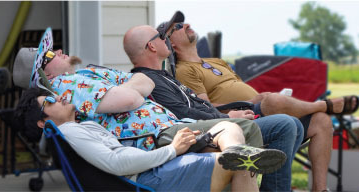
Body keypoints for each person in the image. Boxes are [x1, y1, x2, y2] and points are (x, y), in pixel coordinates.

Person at [13, 28, 287, 175]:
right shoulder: (68, 86)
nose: (59, 51)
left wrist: (135, 87)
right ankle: (237, 158)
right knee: (249, 131)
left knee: (263, 130)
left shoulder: (82, 76)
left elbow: (138, 87)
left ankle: (237, 158)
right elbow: (133, 95)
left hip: (171, 124)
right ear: (44, 72)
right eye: (49, 55)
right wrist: (139, 85)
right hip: (155, 135)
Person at [166, 12, 356, 192]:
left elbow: (237, 87)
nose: (188, 25)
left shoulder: (216, 62)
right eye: (180, 27)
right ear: (172, 44)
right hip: (242, 116)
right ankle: (323, 104)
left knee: (321, 121)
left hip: (257, 107)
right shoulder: (185, 70)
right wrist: (252, 101)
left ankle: (319, 188)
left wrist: (259, 98)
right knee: (275, 102)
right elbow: (204, 108)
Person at [125, 24, 304, 191]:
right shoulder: (147, 79)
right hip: (195, 132)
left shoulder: (163, 75)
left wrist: (226, 113)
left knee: (292, 124)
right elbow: (181, 112)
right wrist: (225, 118)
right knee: (284, 124)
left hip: (218, 119)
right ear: (152, 47)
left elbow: (197, 104)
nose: (165, 39)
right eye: (161, 36)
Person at [15, 88, 285, 191]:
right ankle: (239, 156)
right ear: (43, 122)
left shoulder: (80, 127)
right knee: (240, 166)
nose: (59, 96)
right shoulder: (69, 132)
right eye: (49, 100)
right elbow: (117, 162)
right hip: (152, 178)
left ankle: (238, 153)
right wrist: (172, 149)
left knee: (228, 129)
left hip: (155, 169)